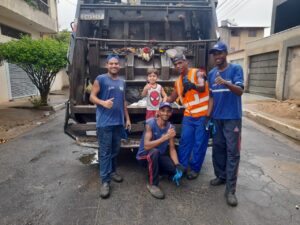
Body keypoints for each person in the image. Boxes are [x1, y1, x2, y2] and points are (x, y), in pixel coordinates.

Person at [208, 41, 244, 207]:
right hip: (217, 119)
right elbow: (211, 97)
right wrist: (208, 117)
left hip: (232, 119)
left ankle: (230, 190)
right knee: (218, 149)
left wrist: (226, 83)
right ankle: (221, 176)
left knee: (233, 153)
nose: (217, 56)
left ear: (226, 54)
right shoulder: (211, 73)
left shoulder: (236, 69)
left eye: (220, 53)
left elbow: (240, 91)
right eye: (215, 54)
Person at [90, 54, 131, 199]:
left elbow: (123, 101)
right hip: (105, 123)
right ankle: (105, 181)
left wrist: (127, 118)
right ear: (107, 65)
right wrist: (103, 103)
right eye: (111, 63)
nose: (114, 66)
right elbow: (92, 96)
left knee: (115, 150)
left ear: (119, 66)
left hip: (118, 123)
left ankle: (113, 172)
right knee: (105, 152)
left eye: (116, 64)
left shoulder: (122, 81)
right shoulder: (100, 79)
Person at [167, 53, 211, 180]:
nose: (178, 66)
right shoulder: (178, 82)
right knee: (185, 142)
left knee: (199, 144)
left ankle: (195, 169)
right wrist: (159, 97)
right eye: (176, 64)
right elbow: (172, 98)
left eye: (180, 62)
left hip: (202, 116)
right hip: (189, 116)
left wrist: (193, 86)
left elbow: (202, 87)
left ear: (186, 62)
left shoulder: (198, 73)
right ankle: (183, 167)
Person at [136, 102, 184, 199]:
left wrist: (177, 164)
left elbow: (172, 149)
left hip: (158, 156)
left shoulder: (170, 127)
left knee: (177, 170)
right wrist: (164, 138)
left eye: (168, 111)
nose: (165, 113)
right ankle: (153, 184)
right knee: (154, 152)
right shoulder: (150, 124)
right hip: (144, 156)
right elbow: (146, 146)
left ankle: (161, 173)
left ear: (171, 113)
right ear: (158, 112)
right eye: (163, 110)